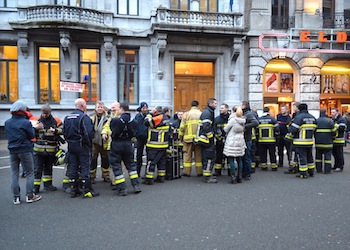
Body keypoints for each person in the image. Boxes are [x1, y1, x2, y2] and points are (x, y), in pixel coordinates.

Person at [5, 100, 42, 204]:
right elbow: (31, 136)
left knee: (14, 174)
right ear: (23, 110)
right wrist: (36, 128)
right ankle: (30, 196)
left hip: (12, 150)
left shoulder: (7, 123)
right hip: (25, 149)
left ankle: (16, 198)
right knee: (30, 172)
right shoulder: (25, 122)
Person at [63, 98, 99, 198]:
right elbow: (88, 133)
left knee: (73, 167)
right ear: (82, 106)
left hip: (71, 145)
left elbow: (64, 132)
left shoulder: (67, 117)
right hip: (82, 146)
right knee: (85, 167)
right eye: (86, 105)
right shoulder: (84, 117)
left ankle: (74, 190)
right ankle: (87, 190)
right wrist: (88, 144)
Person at [109, 102, 141, 196]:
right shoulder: (134, 121)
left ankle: (122, 189)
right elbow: (134, 133)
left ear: (121, 109)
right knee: (131, 166)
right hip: (128, 144)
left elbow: (113, 131)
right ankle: (136, 185)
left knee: (117, 166)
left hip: (117, 144)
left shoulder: (115, 120)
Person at [33, 104, 63, 193]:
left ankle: (48, 185)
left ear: (50, 112)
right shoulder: (36, 121)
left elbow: (63, 130)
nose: (45, 115)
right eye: (43, 113)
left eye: (47, 113)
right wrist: (36, 128)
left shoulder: (56, 120)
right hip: (39, 150)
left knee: (48, 168)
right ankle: (36, 187)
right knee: (37, 169)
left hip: (51, 149)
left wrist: (56, 130)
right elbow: (29, 132)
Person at [288, 103, 316, 179]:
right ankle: (311, 171)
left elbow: (293, 129)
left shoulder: (299, 117)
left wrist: (289, 129)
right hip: (309, 141)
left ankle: (303, 173)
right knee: (310, 157)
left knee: (302, 157)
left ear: (299, 109)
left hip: (300, 141)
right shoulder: (312, 117)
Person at [143, 106, 170, 185]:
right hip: (163, 145)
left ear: (156, 111)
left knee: (151, 162)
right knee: (161, 162)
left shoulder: (158, 118)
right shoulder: (166, 118)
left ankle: (149, 179)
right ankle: (161, 177)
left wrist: (149, 114)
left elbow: (147, 122)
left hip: (154, 145)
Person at [195, 98, 218, 183]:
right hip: (207, 140)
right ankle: (207, 177)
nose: (216, 105)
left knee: (207, 158)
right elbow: (206, 126)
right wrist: (211, 137)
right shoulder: (207, 113)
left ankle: (206, 175)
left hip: (205, 140)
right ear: (211, 104)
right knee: (209, 158)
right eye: (215, 103)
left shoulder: (208, 112)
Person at [179, 101, 202, 177]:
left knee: (187, 156)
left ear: (191, 106)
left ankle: (187, 172)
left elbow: (182, 127)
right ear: (197, 106)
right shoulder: (201, 114)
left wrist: (180, 137)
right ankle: (199, 172)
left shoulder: (186, 114)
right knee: (198, 156)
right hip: (198, 139)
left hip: (187, 139)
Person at [223, 106, 246, 184]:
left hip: (232, 141)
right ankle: (239, 177)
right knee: (239, 159)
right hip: (240, 141)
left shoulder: (233, 120)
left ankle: (233, 177)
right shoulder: (243, 120)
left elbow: (226, 129)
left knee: (231, 159)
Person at [89, 101, 110, 183]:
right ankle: (91, 176)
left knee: (105, 159)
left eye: (101, 107)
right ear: (95, 108)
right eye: (98, 107)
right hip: (94, 141)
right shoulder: (90, 116)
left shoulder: (108, 117)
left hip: (104, 141)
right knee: (93, 159)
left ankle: (106, 175)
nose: (100, 109)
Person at [241, 101, 259, 180]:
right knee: (243, 157)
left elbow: (255, 122)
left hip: (247, 138)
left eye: (240, 105)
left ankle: (248, 174)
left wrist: (245, 126)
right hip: (244, 138)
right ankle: (244, 173)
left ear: (244, 106)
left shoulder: (248, 114)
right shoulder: (244, 113)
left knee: (246, 157)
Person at [257, 107, 279, 171]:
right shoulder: (272, 119)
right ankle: (274, 166)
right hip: (271, 140)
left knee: (263, 154)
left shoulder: (259, 119)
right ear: (269, 111)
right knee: (272, 153)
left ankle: (264, 167)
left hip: (261, 140)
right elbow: (277, 130)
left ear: (263, 111)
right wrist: (277, 138)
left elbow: (256, 130)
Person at [315, 109, 335, 174]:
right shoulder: (329, 121)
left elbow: (313, 132)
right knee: (328, 158)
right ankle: (327, 170)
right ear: (326, 113)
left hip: (318, 142)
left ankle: (318, 169)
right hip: (328, 143)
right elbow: (334, 132)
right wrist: (333, 138)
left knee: (318, 157)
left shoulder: (316, 121)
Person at [134, 102, 149, 177]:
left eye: (146, 108)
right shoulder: (138, 116)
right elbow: (135, 126)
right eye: (143, 108)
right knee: (138, 156)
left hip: (148, 138)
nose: (145, 109)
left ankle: (147, 172)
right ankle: (137, 172)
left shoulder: (149, 116)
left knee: (149, 155)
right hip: (139, 138)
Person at [213, 103, 229, 176]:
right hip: (219, 141)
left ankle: (230, 171)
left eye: (222, 108)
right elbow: (214, 128)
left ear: (226, 109)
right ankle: (217, 171)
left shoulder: (230, 118)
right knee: (218, 156)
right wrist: (217, 134)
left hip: (228, 141)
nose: (220, 109)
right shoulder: (217, 119)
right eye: (220, 108)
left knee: (229, 156)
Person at [330, 107, 347, 172]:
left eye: (333, 112)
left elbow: (342, 128)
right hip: (334, 140)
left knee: (339, 154)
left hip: (339, 139)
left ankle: (340, 166)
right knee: (334, 154)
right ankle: (336, 165)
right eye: (331, 112)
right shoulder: (333, 119)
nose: (332, 113)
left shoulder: (342, 119)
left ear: (338, 112)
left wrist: (334, 125)